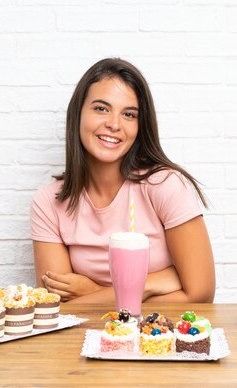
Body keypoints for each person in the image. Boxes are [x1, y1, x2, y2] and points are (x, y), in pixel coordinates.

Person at [30, 58, 215, 304]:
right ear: (78, 114)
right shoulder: (48, 202)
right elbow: (58, 307)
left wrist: (92, 292)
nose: (114, 124)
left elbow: (200, 294)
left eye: (129, 114)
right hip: (85, 341)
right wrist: (159, 282)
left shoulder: (164, 185)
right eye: (101, 109)